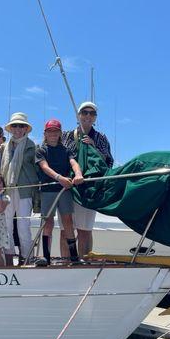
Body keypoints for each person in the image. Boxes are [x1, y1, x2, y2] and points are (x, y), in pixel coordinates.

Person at [62, 101, 114, 257]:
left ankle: (85, 261)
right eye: (85, 112)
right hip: (69, 186)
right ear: (78, 115)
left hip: (89, 188)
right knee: (66, 230)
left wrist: (93, 147)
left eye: (92, 113)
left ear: (95, 118)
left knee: (85, 230)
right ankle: (66, 262)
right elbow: (61, 156)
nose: (88, 116)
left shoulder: (100, 138)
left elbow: (108, 161)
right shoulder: (67, 135)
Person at [36, 119, 84, 264]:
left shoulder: (66, 150)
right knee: (48, 222)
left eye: (55, 131)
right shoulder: (41, 150)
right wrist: (59, 178)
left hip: (64, 190)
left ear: (60, 133)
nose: (53, 134)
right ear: (45, 134)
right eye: (50, 131)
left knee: (68, 222)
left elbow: (74, 163)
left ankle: (74, 257)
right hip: (48, 190)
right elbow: (44, 167)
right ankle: (46, 257)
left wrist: (78, 174)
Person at [0, 112, 38, 266]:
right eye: (14, 125)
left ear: (25, 129)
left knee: (23, 226)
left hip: (24, 189)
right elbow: (3, 168)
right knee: (7, 224)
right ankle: (8, 258)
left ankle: (26, 258)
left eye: (20, 125)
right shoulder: (5, 146)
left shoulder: (31, 145)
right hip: (8, 189)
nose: (17, 128)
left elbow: (35, 169)